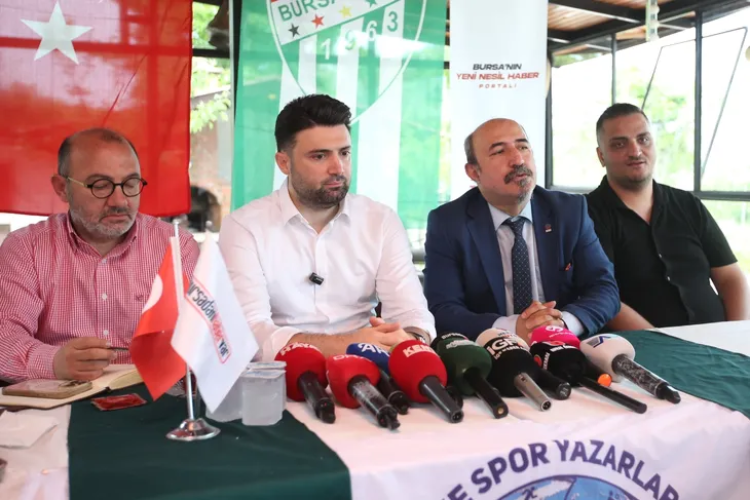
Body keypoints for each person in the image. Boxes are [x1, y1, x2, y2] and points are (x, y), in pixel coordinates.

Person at [220, 94, 434, 361]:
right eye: (319, 156)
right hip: (283, 373)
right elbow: (250, 333)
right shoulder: (244, 227)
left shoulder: (380, 220)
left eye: (344, 153)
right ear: (284, 163)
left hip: (369, 366)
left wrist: (411, 341)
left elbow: (411, 312)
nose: (338, 168)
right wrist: (347, 344)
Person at [0, 128, 199, 383]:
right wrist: (54, 362)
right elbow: (5, 339)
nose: (119, 201)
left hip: (153, 392)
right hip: (62, 394)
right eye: (101, 186)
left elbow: (206, 336)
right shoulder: (26, 248)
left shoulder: (177, 246)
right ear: (62, 188)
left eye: (130, 184)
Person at [424, 118, 619, 343]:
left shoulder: (569, 211)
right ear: (474, 172)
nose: (518, 159)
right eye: (499, 151)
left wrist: (562, 324)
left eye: (523, 147)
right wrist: (513, 328)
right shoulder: (449, 223)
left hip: (564, 347)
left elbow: (604, 288)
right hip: (491, 352)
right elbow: (442, 308)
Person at [586, 103, 749, 329]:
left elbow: (730, 277)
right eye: (619, 144)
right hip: (642, 346)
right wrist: (663, 343)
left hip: (717, 340)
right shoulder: (586, 214)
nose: (635, 151)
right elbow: (600, 295)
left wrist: (736, 334)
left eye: (643, 139)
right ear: (601, 155)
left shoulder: (688, 204)